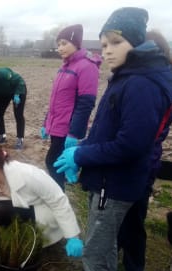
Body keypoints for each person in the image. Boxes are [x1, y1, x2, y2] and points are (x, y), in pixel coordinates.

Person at [53, 7, 172, 271]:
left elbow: (131, 143)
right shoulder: (128, 76)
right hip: (110, 180)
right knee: (103, 245)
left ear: (134, 42)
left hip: (115, 185)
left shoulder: (141, 83)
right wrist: (81, 147)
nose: (106, 51)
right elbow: (109, 129)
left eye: (114, 43)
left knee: (96, 250)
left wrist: (81, 154)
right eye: (103, 44)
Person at [116, 29, 172, 271]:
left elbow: (140, 138)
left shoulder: (154, 84)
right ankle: (115, 260)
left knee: (133, 222)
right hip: (127, 164)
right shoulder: (135, 78)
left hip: (140, 166)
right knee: (119, 221)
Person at [40, 24, 101, 191]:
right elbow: (56, 99)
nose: (60, 48)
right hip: (57, 125)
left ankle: (58, 200)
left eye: (64, 43)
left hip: (68, 129)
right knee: (57, 164)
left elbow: (86, 103)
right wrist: (46, 123)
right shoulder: (65, 66)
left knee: (53, 163)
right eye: (58, 44)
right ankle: (60, 193)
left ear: (76, 43)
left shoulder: (87, 66)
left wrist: (74, 133)